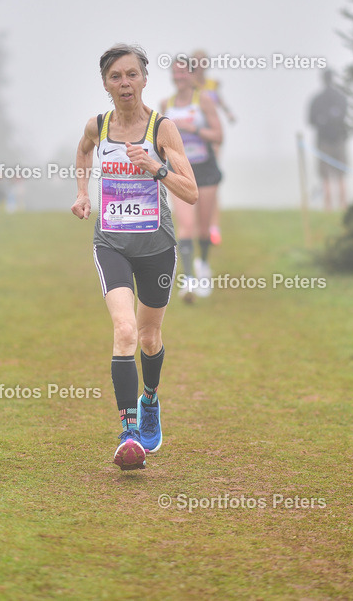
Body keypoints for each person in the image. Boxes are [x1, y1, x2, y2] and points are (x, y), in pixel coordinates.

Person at [71, 44, 198, 470]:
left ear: (145, 79)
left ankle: (150, 400)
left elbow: (191, 193)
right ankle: (128, 434)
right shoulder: (98, 125)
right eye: (115, 77)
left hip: (157, 247)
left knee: (148, 338)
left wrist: (156, 168)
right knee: (124, 330)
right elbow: (84, 149)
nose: (124, 83)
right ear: (105, 84)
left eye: (131, 75)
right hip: (111, 243)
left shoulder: (162, 130)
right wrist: (82, 193)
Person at [161, 58, 223, 302]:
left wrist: (192, 129)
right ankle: (189, 280)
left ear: (191, 74)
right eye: (174, 72)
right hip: (179, 171)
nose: (178, 77)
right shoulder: (166, 104)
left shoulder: (203, 101)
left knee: (204, 228)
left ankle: (204, 265)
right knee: (186, 224)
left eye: (182, 72)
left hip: (205, 170)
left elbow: (219, 135)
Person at [190, 49, 234, 247]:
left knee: (211, 181)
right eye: (196, 62)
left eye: (203, 61)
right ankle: (198, 225)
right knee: (193, 184)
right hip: (192, 139)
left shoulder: (212, 84)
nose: (200, 65)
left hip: (211, 138)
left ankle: (213, 226)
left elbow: (222, 103)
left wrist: (229, 114)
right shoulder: (188, 84)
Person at [308, 69, 349, 211]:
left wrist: (323, 121)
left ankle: (328, 207)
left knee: (325, 176)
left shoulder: (316, 99)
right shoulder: (341, 97)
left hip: (324, 141)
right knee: (341, 175)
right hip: (339, 140)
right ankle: (343, 205)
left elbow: (310, 120)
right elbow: (345, 116)